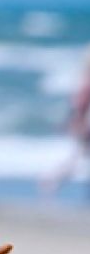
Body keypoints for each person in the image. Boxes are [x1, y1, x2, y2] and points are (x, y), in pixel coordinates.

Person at [43, 48, 90, 194]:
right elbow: (80, 107)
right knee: (75, 159)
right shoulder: (86, 83)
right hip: (85, 127)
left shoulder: (83, 81)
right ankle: (51, 179)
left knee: (76, 158)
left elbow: (77, 106)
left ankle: (51, 180)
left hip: (83, 125)